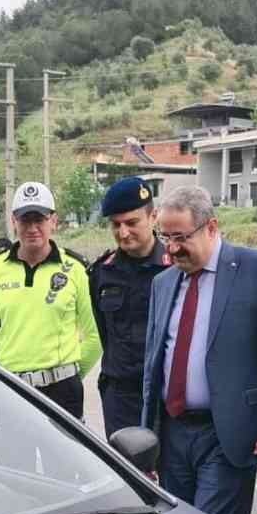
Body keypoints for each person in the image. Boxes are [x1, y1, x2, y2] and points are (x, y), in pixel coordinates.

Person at [140, 186, 257, 514]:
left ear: (211, 227)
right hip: (172, 438)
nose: (171, 248)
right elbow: (154, 365)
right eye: (164, 236)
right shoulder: (163, 283)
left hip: (226, 435)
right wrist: (147, 438)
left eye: (180, 237)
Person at [0, 182, 102, 470]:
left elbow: (94, 337)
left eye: (40, 219)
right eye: (25, 219)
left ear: (53, 221)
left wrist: (68, 373)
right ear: (14, 222)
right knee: (17, 479)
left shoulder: (76, 270)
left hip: (63, 390)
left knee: (67, 475)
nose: (33, 227)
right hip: (11, 390)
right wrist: (6, 371)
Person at [88, 176, 172, 437]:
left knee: (171, 474)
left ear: (153, 217)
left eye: (132, 223)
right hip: (121, 396)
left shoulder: (177, 269)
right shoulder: (102, 273)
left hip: (166, 394)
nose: (123, 233)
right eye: (116, 225)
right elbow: (105, 333)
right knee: (126, 472)